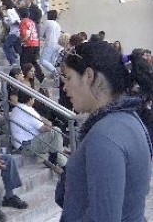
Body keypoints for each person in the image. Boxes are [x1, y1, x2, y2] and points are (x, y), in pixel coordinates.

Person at [57, 41, 152, 220]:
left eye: (68, 78)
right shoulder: (128, 120)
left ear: (89, 76)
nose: (65, 87)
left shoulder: (105, 136)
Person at [10, 92, 66, 168]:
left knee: (55, 147)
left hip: (22, 145)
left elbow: (40, 120)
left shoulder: (17, 108)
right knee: (56, 131)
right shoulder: (27, 110)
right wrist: (48, 123)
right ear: (30, 99)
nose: (34, 100)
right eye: (33, 98)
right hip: (27, 146)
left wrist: (42, 119)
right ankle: (58, 163)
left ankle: (63, 165)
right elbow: (44, 128)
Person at [19, 7, 44, 83]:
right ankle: (41, 77)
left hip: (28, 44)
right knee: (33, 62)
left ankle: (26, 80)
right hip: (36, 44)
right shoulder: (32, 22)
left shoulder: (23, 22)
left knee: (24, 63)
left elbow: (26, 33)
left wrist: (22, 40)